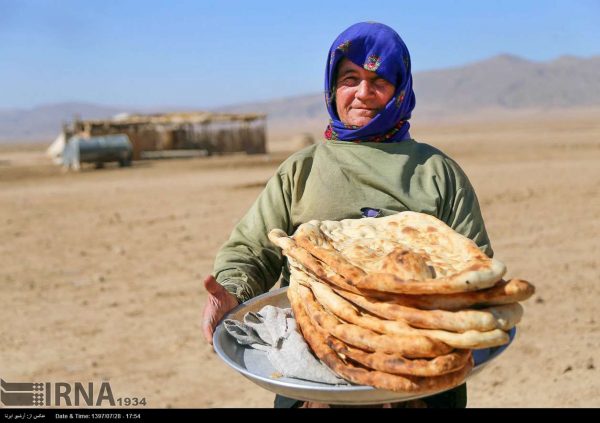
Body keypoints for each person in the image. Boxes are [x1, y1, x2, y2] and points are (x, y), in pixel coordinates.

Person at [201, 22, 493, 408]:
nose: (363, 93)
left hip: (416, 373)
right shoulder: (301, 169)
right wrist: (233, 292)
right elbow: (251, 250)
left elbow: (475, 275)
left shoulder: (438, 172)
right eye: (350, 78)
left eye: (379, 80)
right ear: (333, 87)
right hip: (314, 371)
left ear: (400, 89)